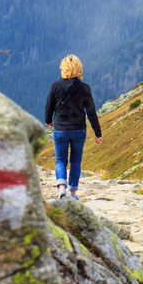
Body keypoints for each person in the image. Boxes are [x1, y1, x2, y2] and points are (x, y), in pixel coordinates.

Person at [44, 54, 102, 200]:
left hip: (60, 129)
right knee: (75, 161)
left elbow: (49, 106)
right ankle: (72, 193)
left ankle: (61, 188)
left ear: (63, 68)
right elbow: (91, 112)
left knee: (60, 160)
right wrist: (97, 133)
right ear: (79, 69)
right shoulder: (85, 88)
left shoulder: (55, 86)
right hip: (78, 129)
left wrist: (48, 121)